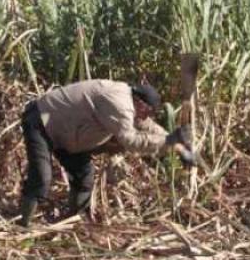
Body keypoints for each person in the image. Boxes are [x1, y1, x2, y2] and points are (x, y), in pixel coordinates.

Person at [18, 79, 194, 226]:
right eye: (148, 111)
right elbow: (131, 141)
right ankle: (23, 226)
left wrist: (175, 141)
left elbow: (145, 125)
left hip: (67, 134)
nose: (148, 116)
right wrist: (169, 141)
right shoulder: (118, 103)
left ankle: (73, 222)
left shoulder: (129, 100)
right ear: (140, 103)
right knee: (41, 178)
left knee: (84, 176)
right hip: (41, 121)